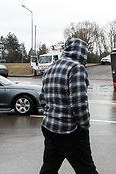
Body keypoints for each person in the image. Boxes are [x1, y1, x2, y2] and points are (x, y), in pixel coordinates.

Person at [39, 38, 99, 174]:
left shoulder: (50, 68)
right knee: (86, 169)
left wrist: (52, 114)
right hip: (70, 130)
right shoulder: (76, 68)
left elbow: (42, 99)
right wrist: (84, 126)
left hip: (49, 127)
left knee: (49, 168)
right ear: (82, 52)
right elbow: (78, 103)